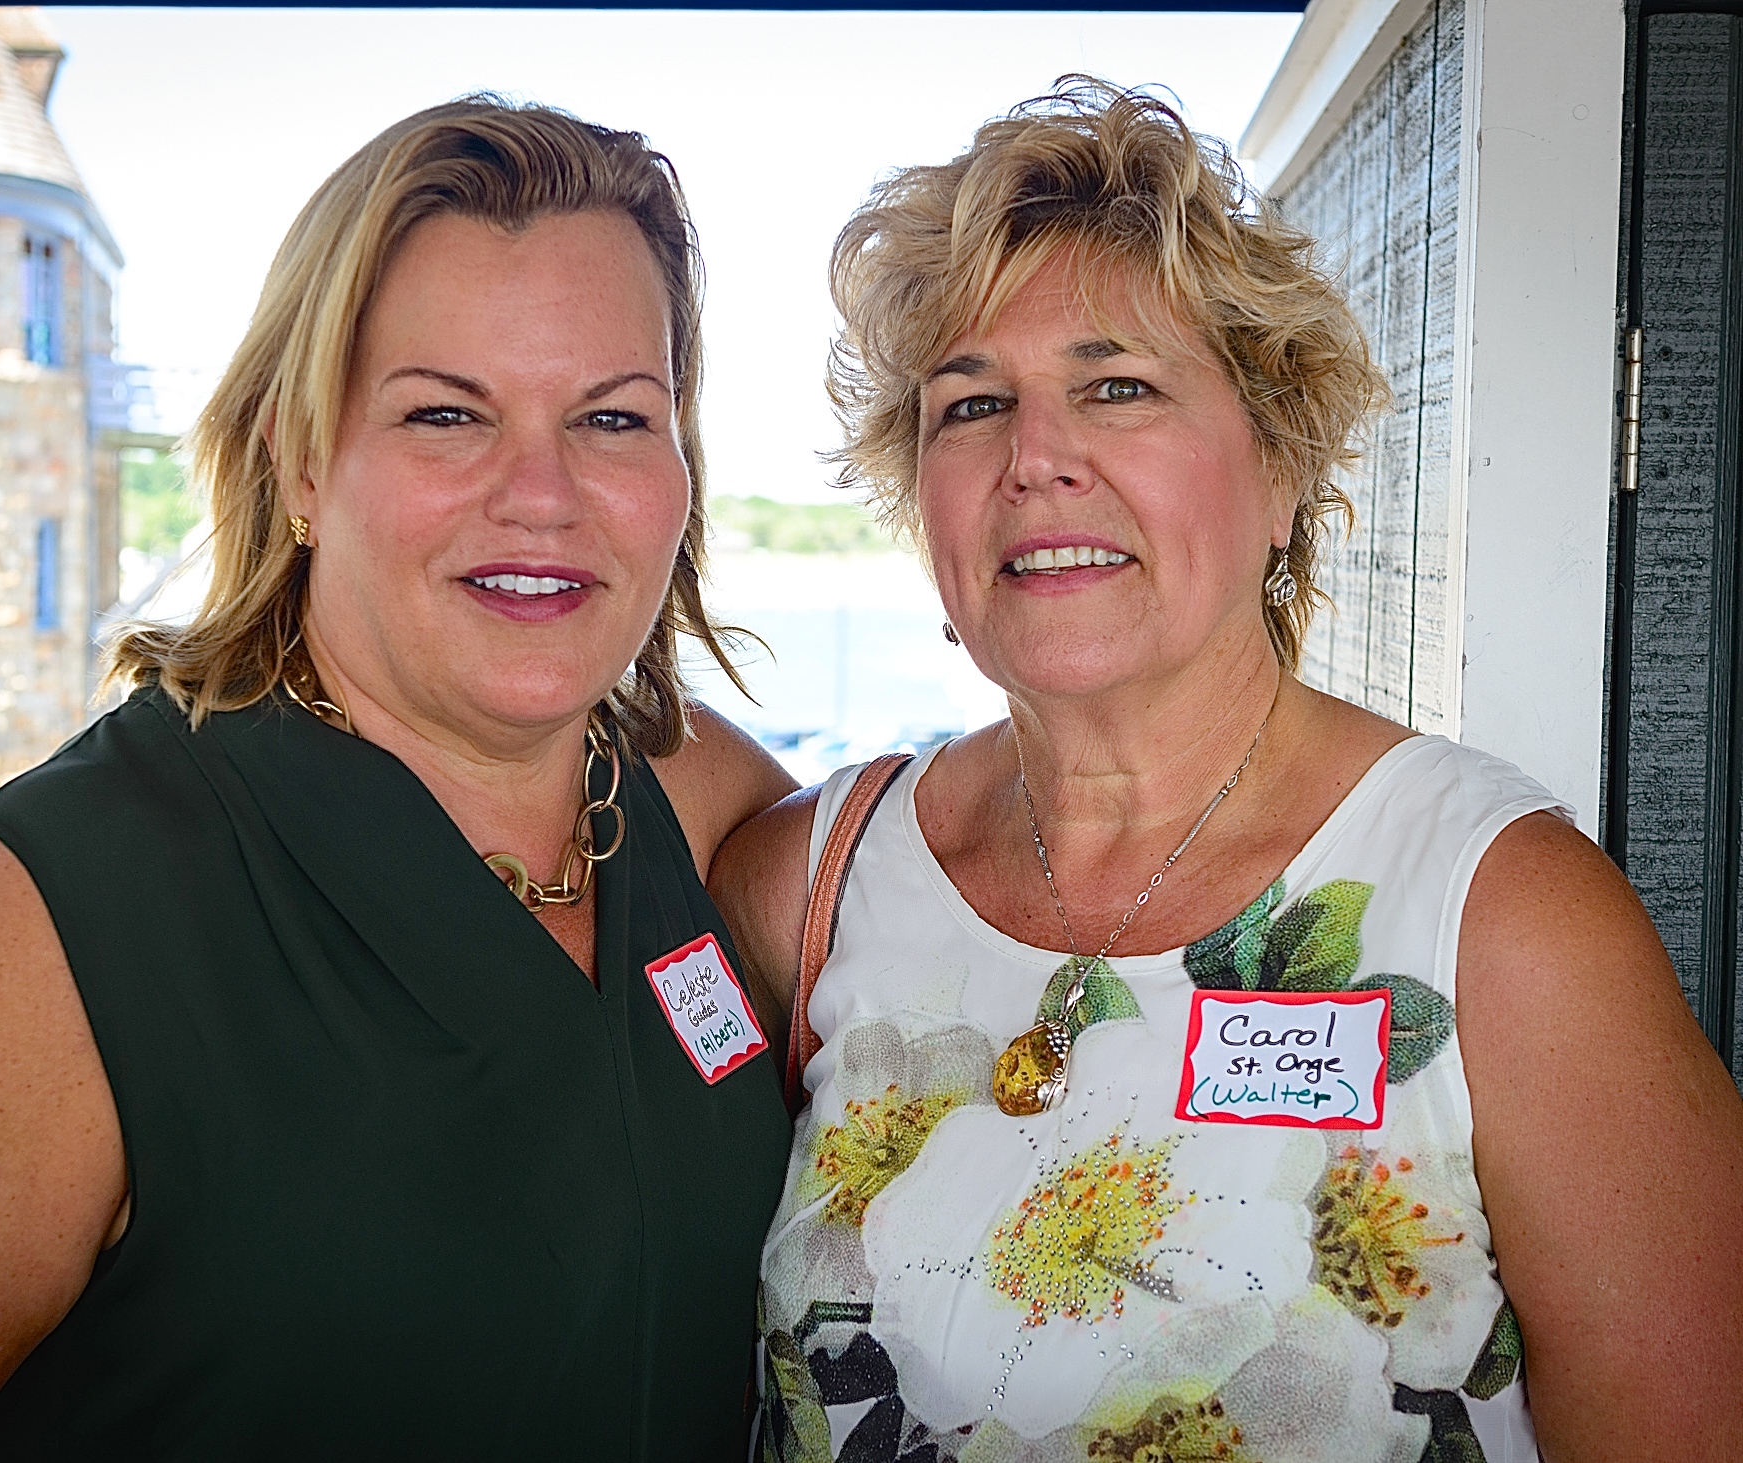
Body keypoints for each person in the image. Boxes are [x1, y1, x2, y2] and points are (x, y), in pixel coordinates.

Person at [0, 99, 796, 1461]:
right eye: (446, 414)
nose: (542, 492)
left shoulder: (705, 811)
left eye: (614, 418)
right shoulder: (60, 919)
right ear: (302, 462)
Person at [714, 78, 1743, 1463]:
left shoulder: (1506, 922)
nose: (1036, 460)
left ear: (1278, 472)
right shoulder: (810, 883)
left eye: (1117, 386)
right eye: (971, 407)